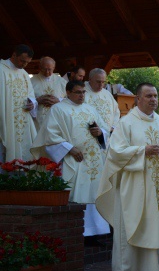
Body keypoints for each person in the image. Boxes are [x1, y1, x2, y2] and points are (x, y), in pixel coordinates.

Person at [96, 83, 159, 271]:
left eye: (155, 96)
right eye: (148, 96)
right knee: (138, 226)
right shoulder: (126, 123)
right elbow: (116, 153)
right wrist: (141, 151)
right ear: (138, 98)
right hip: (136, 188)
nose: (153, 99)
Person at [31, 81, 110, 239]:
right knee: (77, 191)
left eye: (83, 92)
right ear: (68, 92)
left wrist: (100, 132)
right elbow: (50, 135)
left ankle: (98, 231)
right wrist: (69, 149)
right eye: (78, 92)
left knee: (94, 191)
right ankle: (79, 231)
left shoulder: (90, 109)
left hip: (93, 159)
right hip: (74, 158)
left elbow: (104, 129)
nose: (82, 95)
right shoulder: (58, 109)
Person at [0, 44, 38, 162]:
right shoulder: (1, 69)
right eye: (22, 61)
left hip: (23, 119)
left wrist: (32, 103)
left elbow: (31, 94)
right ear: (14, 55)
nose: (24, 65)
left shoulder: (24, 74)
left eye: (27, 62)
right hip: (6, 118)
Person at [31, 57, 66, 130]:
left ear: (54, 68)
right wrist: (36, 101)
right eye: (44, 69)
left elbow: (70, 100)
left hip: (57, 119)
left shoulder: (62, 82)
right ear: (40, 67)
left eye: (49, 69)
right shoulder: (31, 81)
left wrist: (58, 100)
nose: (47, 72)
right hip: (38, 120)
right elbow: (25, 100)